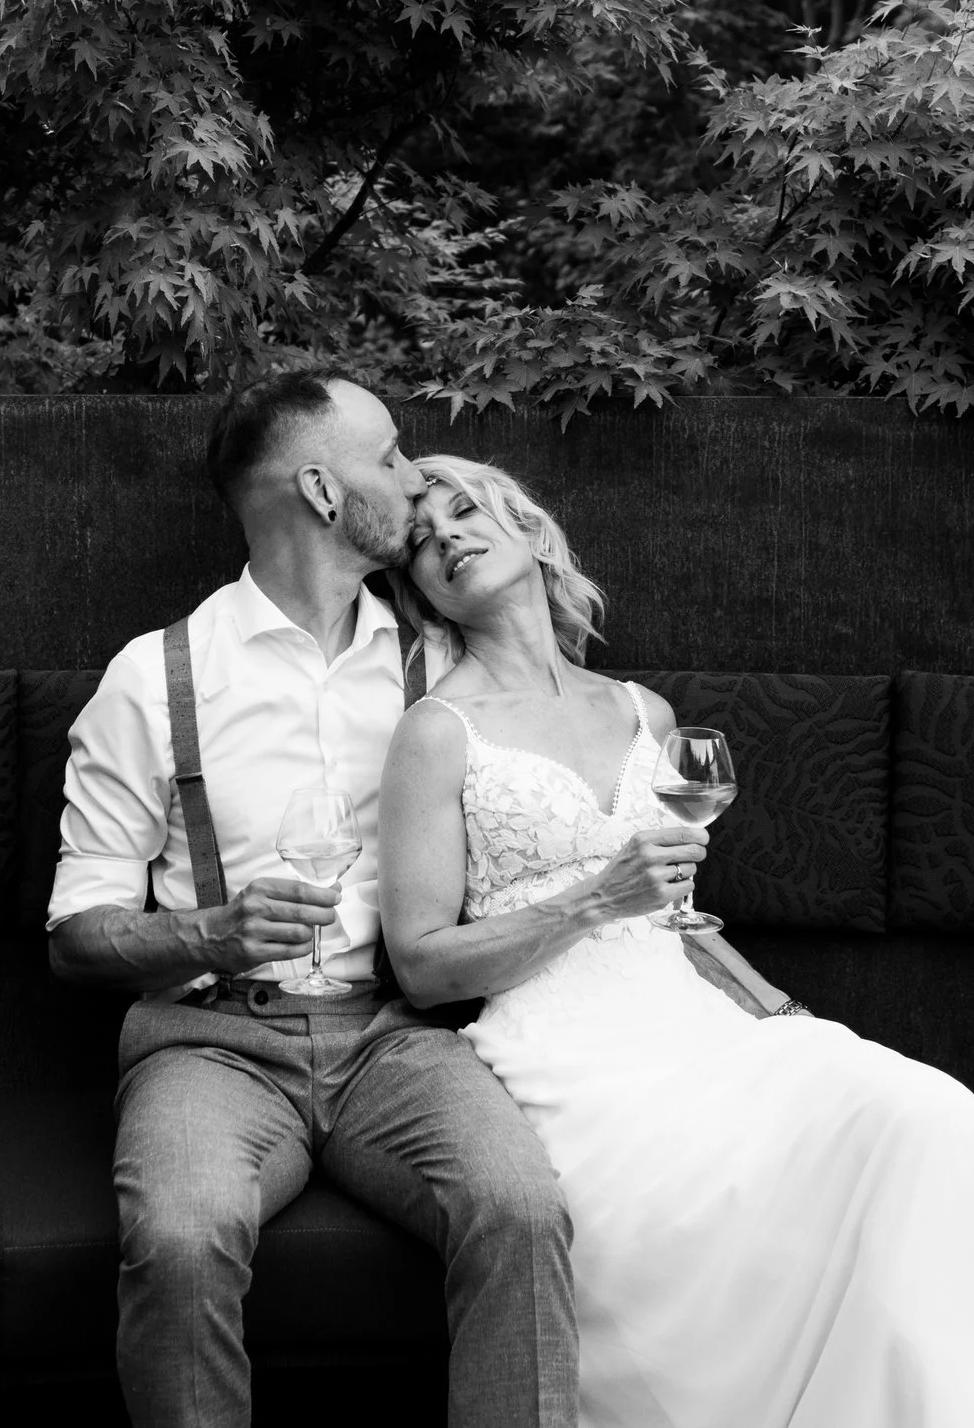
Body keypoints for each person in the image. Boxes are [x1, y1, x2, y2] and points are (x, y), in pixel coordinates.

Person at [379, 454, 974, 1428]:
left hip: (696, 1027)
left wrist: (777, 1011)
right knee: (703, 1209)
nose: (443, 535)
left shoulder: (640, 712)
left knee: (928, 1112)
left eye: (462, 510)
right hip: (566, 1059)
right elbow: (420, 962)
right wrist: (588, 901)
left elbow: (672, 917)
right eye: (419, 540)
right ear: (419, 590)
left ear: (530, 533)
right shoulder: (435, 732)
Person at [47, 373, 579, 1428]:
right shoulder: (154, 680)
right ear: (325, 493)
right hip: (210, 1041)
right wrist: (211, 930)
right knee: (182, 1235)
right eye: (388, 454)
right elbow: (74, 936)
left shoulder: (438, 668)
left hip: (397, 1036)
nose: (413, 473)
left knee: (521, 1205)